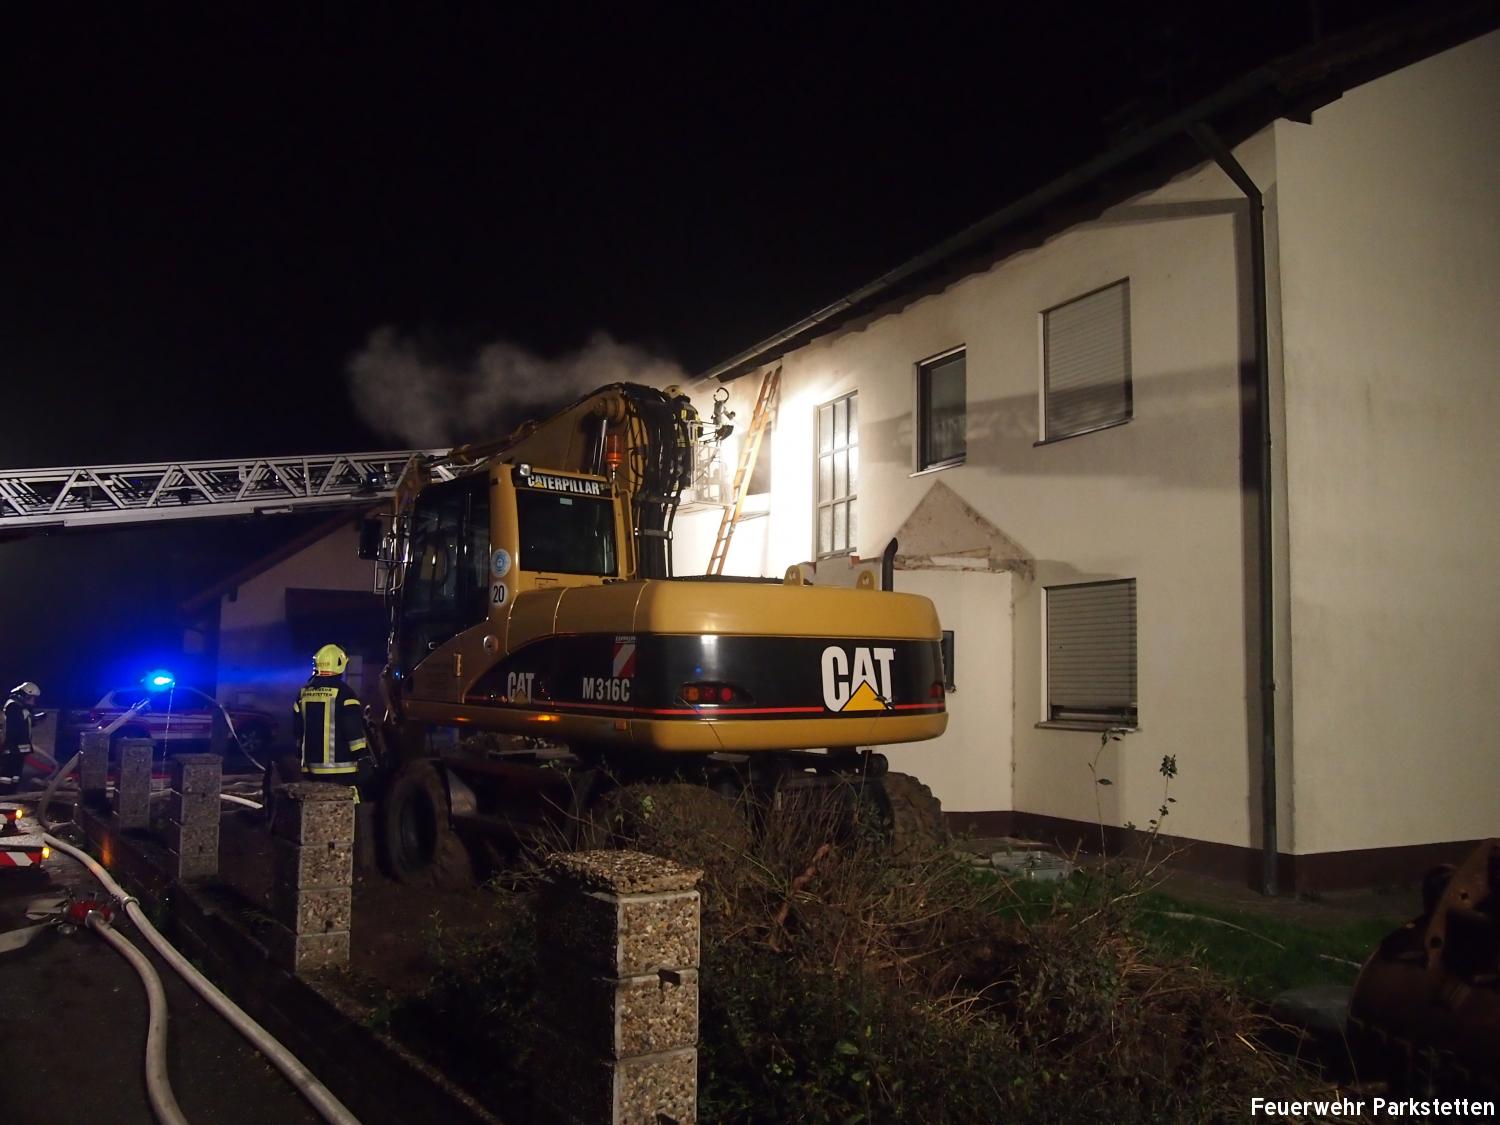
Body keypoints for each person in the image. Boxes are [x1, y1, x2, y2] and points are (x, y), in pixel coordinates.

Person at [289, 644, 371, 787]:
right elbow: (353, 731)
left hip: (310, 769)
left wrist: (299, 753)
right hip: (342, 770)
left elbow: (297, 730)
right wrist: (362, 757)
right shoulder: (345, 694)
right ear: (340, 665)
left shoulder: (303, 693)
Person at [1, 682, 42, 795]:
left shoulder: (21, 707)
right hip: (12, 748)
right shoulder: (13, 706)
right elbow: (14, 728)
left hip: (18, 749)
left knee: (15, 776)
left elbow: (25, 724)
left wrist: (36, 719)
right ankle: (3, 796)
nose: (33, 701)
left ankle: (11, 795)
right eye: (31, 698)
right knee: (7, 776)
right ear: (22, 695)